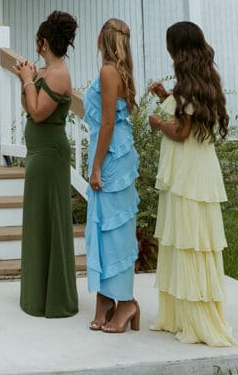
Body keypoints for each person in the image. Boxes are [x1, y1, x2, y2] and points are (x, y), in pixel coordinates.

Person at [148, 21, 236, 347]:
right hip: (200, 170)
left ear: (178, 50)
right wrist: (167, 97)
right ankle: (185, 314)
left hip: (187, 174)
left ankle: (194, 321)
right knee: (193, 242)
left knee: (187, 241)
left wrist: (159, 122)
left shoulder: (188, 86)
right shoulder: (204, 81)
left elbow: (181, 131)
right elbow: (190, 116)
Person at [13, 11, 79, 318]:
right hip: (38, 154)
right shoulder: (44, 71)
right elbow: (29, 107)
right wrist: (24, 80)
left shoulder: (58, 74)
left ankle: (54, 298)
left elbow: (39, 113)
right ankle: (37, 295)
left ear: (43, 42)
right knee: (38, 221)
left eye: (37, 40)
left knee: (49, 220)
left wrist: (29, 80)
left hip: (50, 156)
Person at [83, 18, 140, 333]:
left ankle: (127, 303)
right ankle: (106, 299)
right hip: (118, 150)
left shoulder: (108, 72)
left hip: (111, 157)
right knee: (107, 228)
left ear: (99, 39)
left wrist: (96, 167)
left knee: (113, 231)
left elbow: (106, 122)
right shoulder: (122, 71)